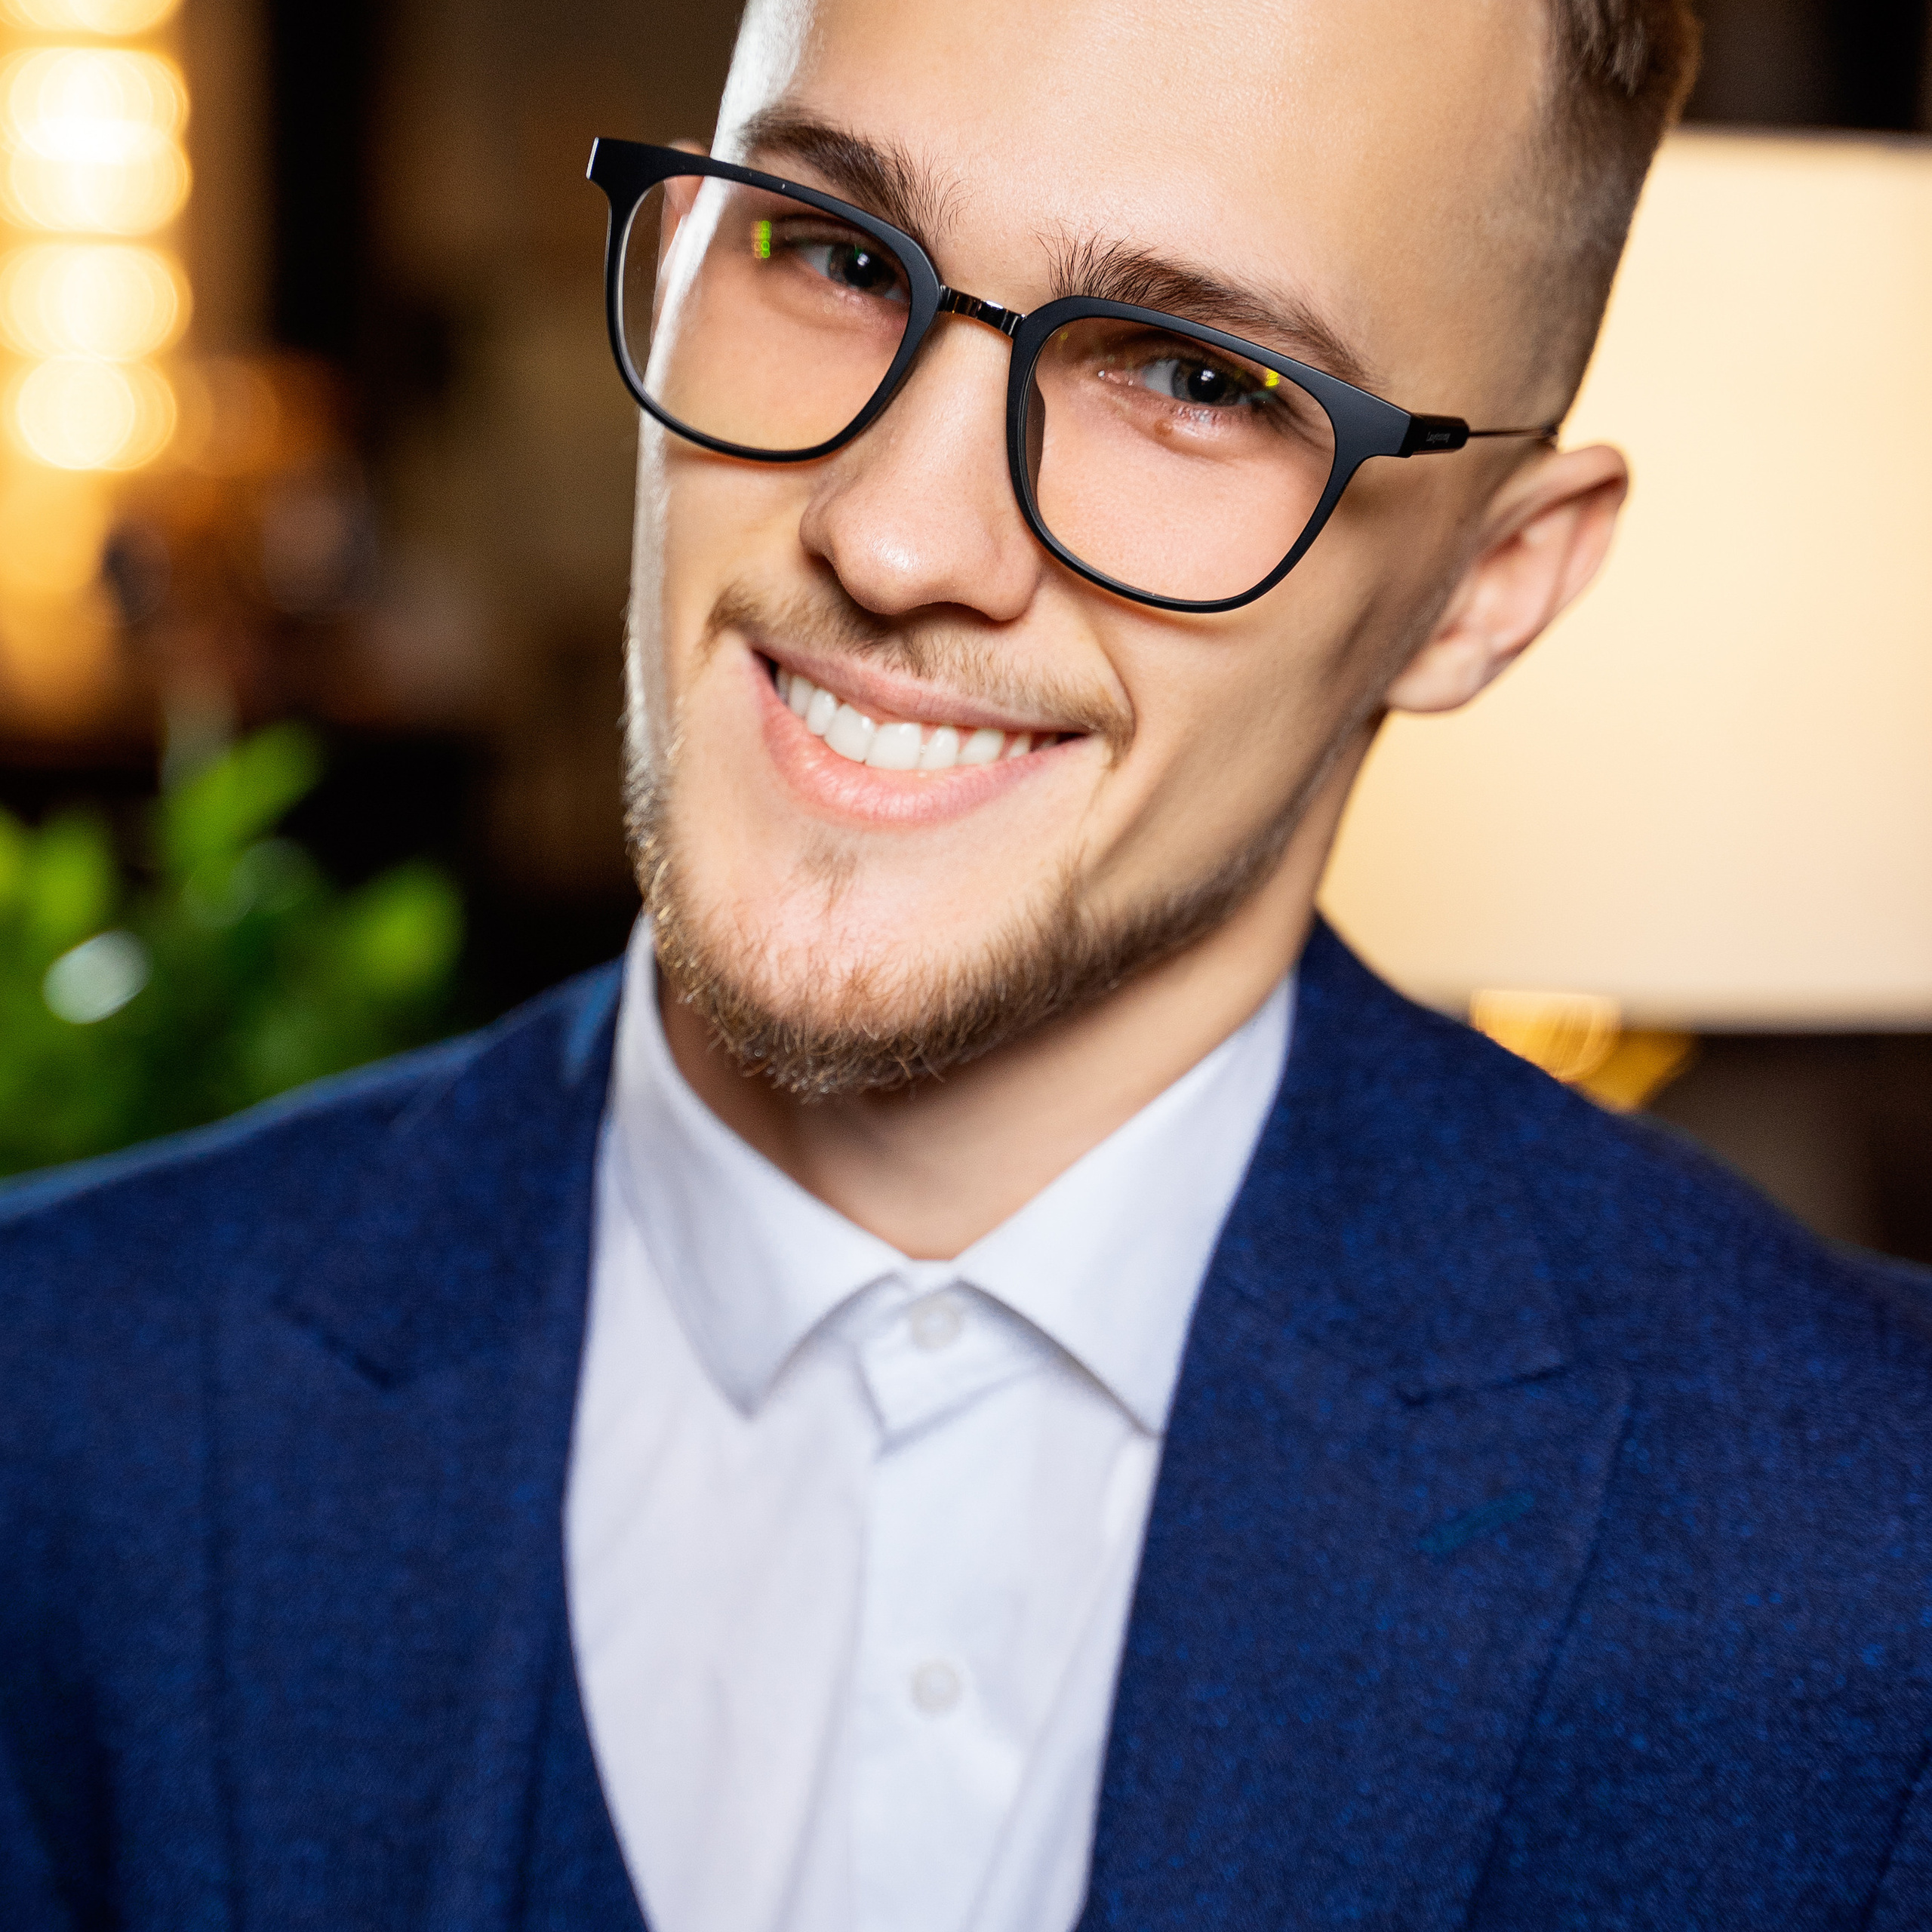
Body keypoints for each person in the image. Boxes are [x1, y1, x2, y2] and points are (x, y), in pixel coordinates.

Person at [6, 0, 1932, 1925]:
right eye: (835, 254)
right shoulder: (57, 1417)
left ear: (1484, 585)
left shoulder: (1862, 1559)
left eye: (1192, 376)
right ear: (679, 259)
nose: (894, 532)